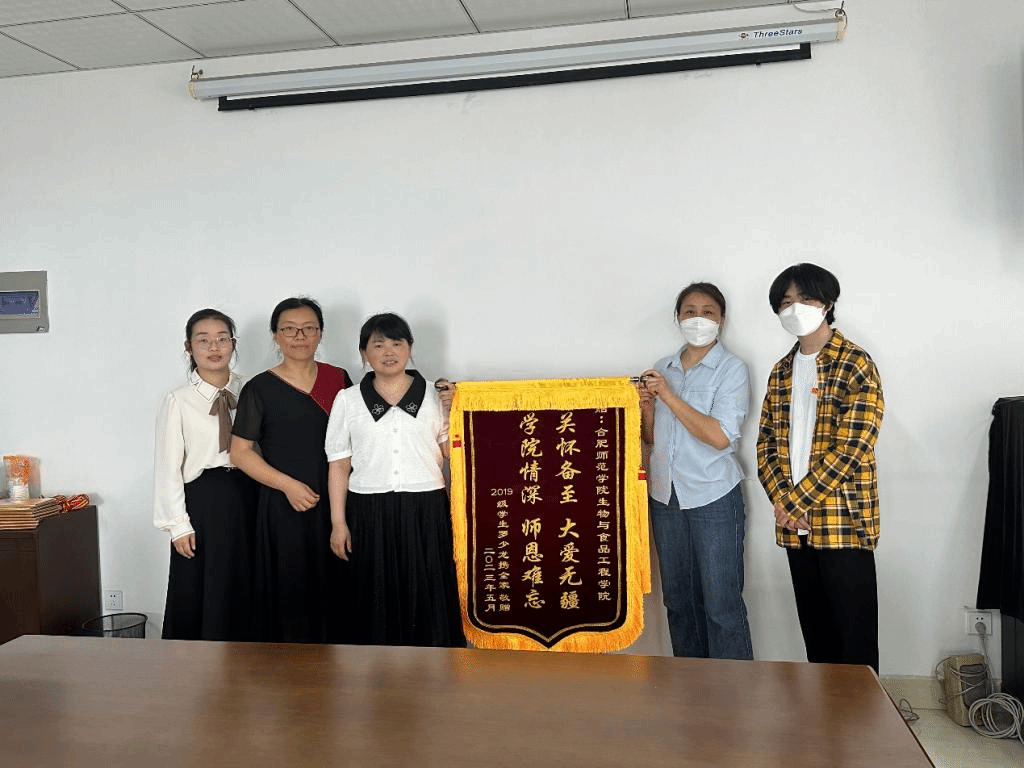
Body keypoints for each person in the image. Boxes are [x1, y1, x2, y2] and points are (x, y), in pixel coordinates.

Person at [756, 263, 884, 673]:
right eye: (786, 302)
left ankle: (863, 715)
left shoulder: (855, 363)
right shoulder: (781, 371)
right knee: (818, 641)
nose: (795, 308)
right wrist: (785, 503)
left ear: (827, 303)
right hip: (795, 527)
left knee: (855, 646)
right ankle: (825, 713)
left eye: (805, 299)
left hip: (843, 520)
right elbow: (766, 445)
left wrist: (795, 502)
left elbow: (854, 446)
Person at [325, 312, 465, 647]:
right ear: (364, 353)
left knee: (427, 588)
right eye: (378, 345)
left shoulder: (436, 395)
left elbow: (452, 454)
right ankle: (376, 670)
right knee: (373, 591)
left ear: (410, 348)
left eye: (397, 343)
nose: (388, 352)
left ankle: (432, 666)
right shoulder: (348, 400)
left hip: (426, 507)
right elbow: (339, 465)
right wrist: (338, 523)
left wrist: (455, 410)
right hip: (368, 509)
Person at [639, 282, 753, 660]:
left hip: (713, 496)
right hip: (665, 495)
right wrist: (648, 409)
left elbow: (719, 437)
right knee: (678, 602)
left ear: (721, 320)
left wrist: (669, 396)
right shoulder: (662, 368)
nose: (698, 319)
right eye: (689, 311)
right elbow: (652, 439)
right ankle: (691, 687)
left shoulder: (732, 369)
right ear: (677, 318)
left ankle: (734, 689)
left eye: (707, 312)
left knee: (721, 605)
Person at [230, 297, 351, 643]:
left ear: (320, 333)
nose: (300, 336)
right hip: (284, 506)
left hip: (338, 502)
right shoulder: (259, 388)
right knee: (290, 588)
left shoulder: (339, 378)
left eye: (309, 328)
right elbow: (240, 453)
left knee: (338, 587)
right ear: (275, 335)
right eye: (289, 329)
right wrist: (288, 486)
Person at [154, 308, 259, 640]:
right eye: (203, 340)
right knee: (204, 585)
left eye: (222, 339)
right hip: (205, 502)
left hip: (251, 494)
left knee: (248, 580)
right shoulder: (179, 400)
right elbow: (167, 467)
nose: (214, 347)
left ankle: (250, 660)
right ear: (189, 347)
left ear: (233, 344)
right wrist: (178, 526)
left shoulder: (253, 390)